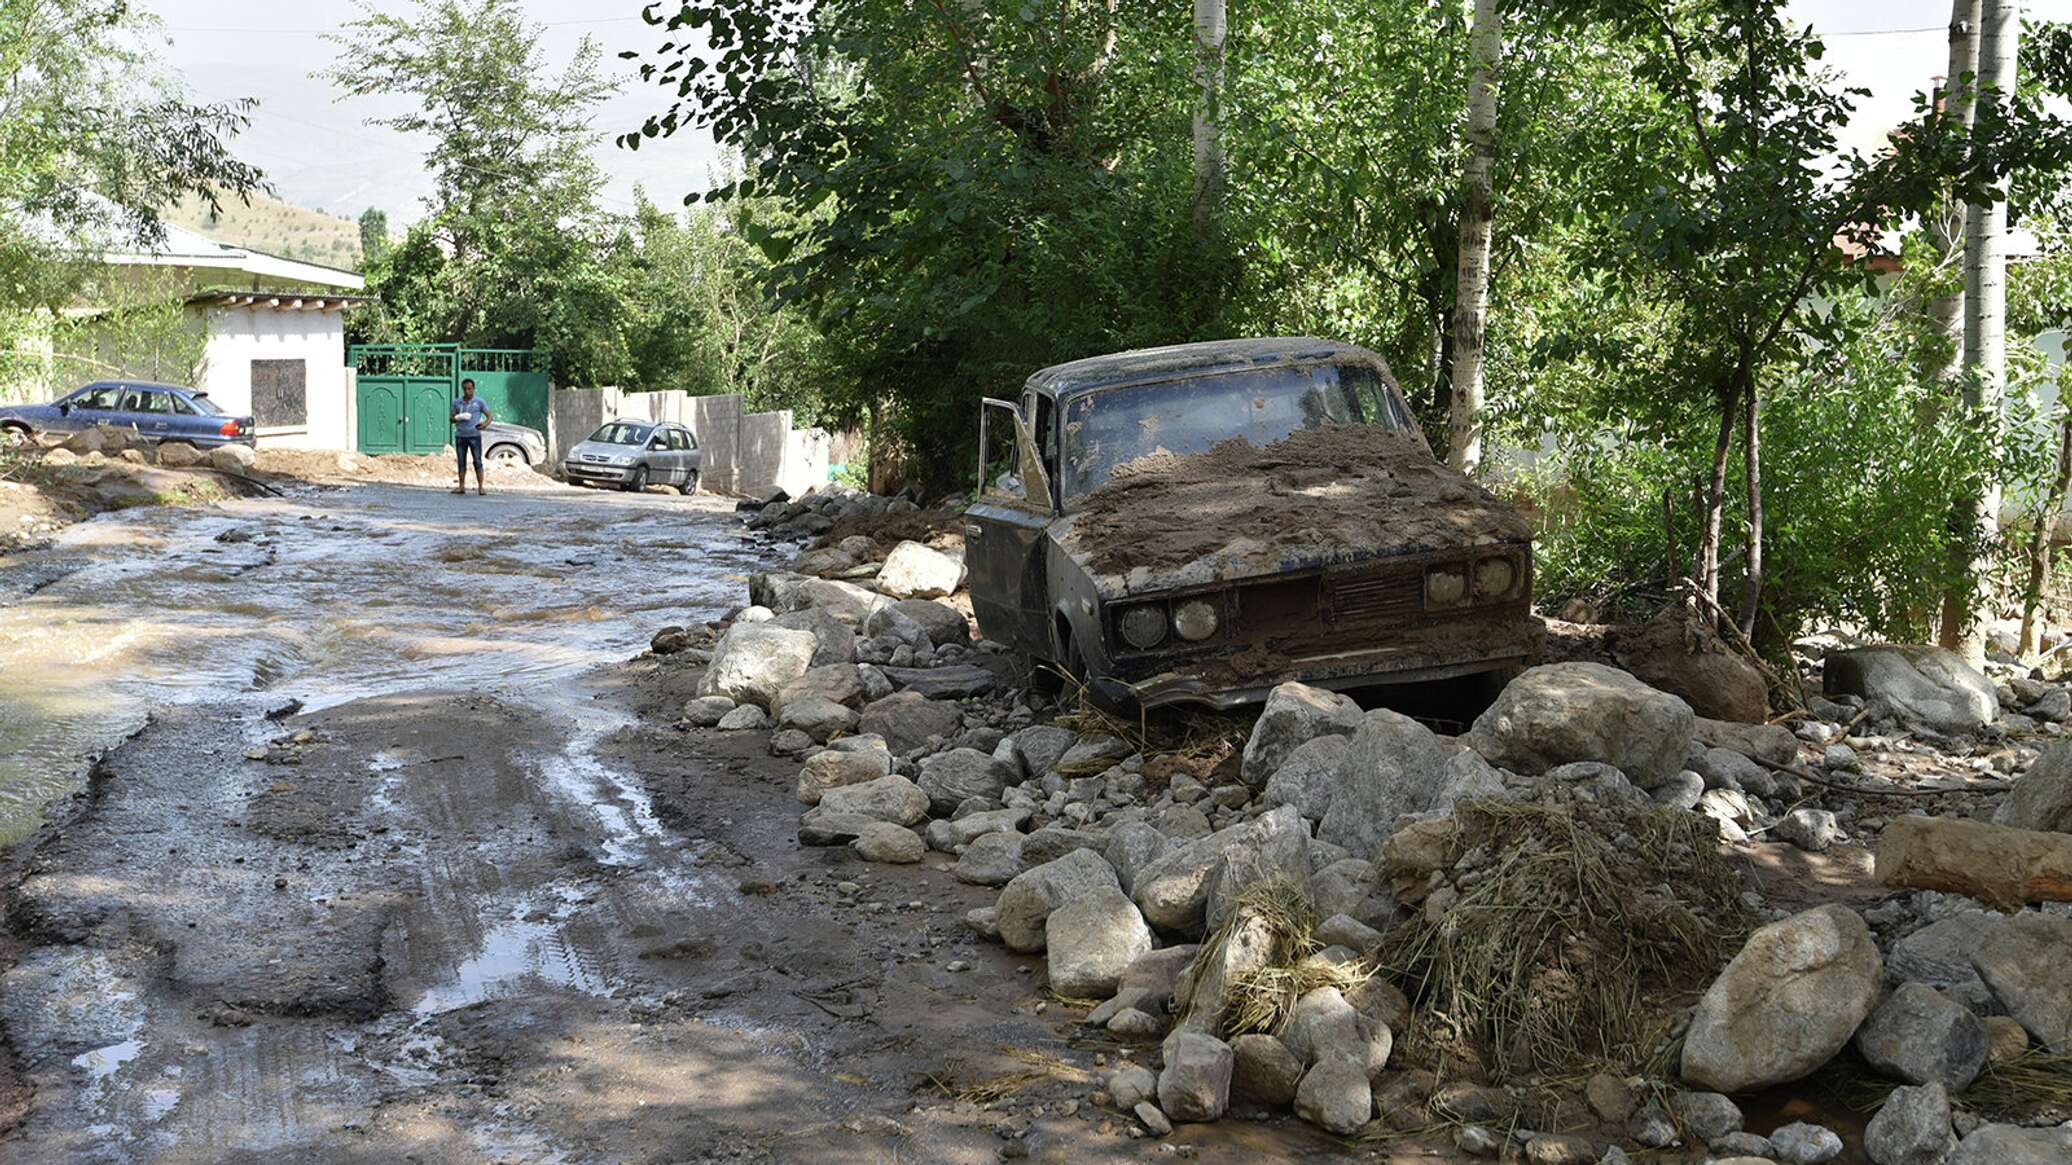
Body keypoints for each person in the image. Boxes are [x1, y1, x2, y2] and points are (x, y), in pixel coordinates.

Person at [451, 378, 493, 495]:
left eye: (469, 389)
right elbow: (451, 418)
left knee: (477, 461)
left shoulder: (479, 402)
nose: (467, 391)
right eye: (465, 389)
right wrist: (458, 417)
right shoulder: (457, 402)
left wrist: (484, 425)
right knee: (461, 461)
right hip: (461, 435)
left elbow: (489, 416)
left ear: (473, 389)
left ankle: (481, 487)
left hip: (474, 436)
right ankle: (461, 486)